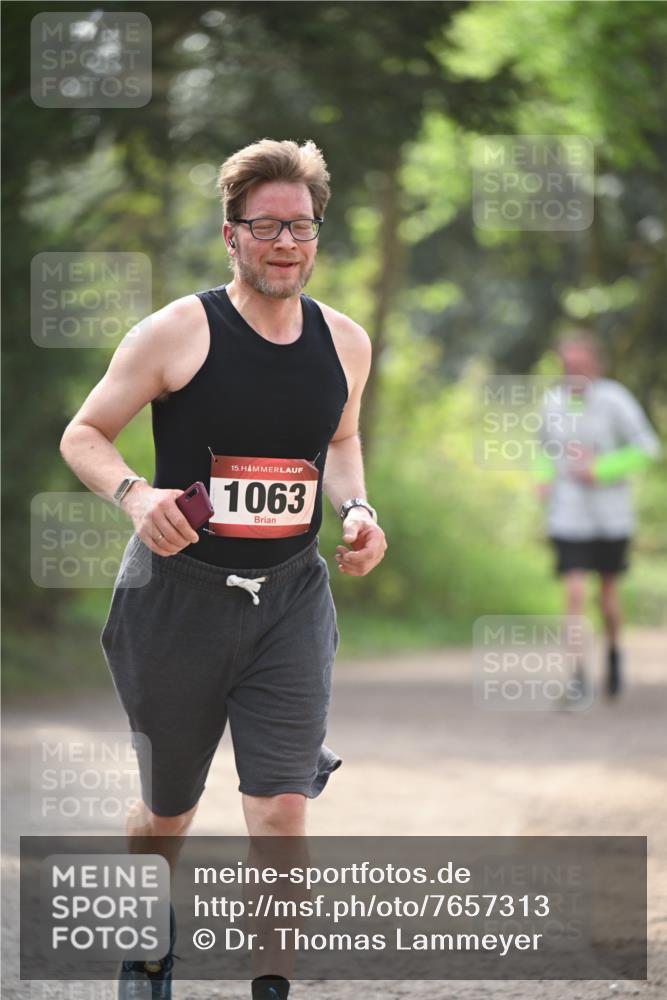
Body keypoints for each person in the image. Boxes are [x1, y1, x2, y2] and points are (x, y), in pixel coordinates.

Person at [59, 138, 387, 999]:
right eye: (267, 226)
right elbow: (83, 434)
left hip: (290, 597)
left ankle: (269, 986)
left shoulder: (345, 342)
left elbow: (342, 440)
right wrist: (136, 495)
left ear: (319, 234)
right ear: (230, 235)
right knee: (168, 809)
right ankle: (148, 947)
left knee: (280, 804)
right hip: (175, 599)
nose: (287, 243)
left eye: (302, 226)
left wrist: (356, 509)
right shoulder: (176, 331)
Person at [535, 330, 661, 698]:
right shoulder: (552, 403)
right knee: (574, 593)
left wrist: (601, 469)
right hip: (568, 515)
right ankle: (577, 676)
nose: (572, 370)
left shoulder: (615, 400)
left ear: (594, 364)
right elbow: (544, 450)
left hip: (610, 516)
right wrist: (542, 478)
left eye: (579, 364)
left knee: (607, 599)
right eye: (567, 364)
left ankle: (614, 652)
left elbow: (646, 448)